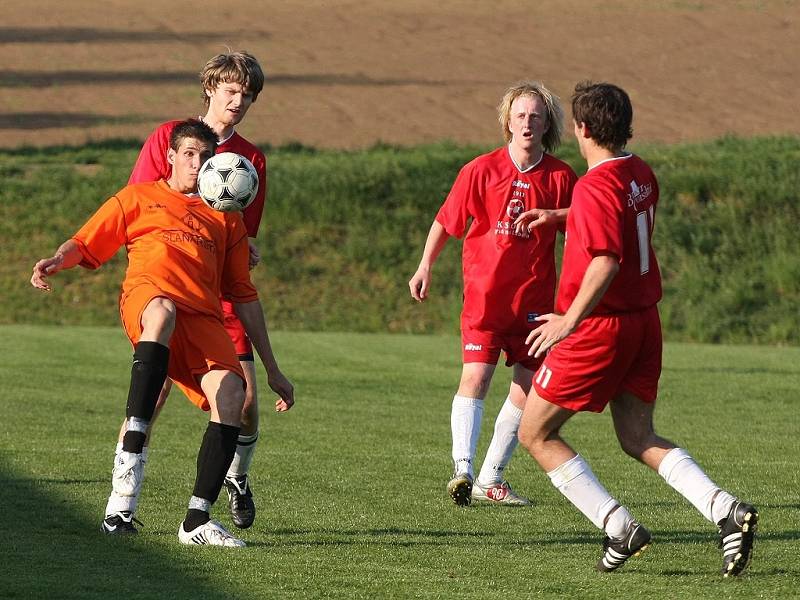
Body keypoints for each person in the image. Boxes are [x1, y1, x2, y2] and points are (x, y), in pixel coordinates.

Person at [517, 82, 757, 575]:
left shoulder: (593, 185)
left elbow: (605, 260)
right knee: (637, 434)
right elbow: (619, 221)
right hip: (644, 325)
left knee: (535, 433)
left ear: (582, 129)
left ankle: (618, 526)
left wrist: (568, 321)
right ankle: (726, 511)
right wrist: (560, 216)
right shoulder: (638, 171)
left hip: (600, 330)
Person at [31, 119, 292, 546]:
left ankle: (196, 522)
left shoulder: (226, 217)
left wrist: (273, 369)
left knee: (232, 394)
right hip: (148, 300)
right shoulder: (139, 197)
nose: (197, 163)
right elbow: (85, 240)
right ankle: (123, 494)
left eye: (205, 156)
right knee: (163, 312)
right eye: (188, 153)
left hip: (202, 318)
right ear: (170, 156)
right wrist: (58, 259)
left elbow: (244, 295)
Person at [112, 51, 292, 532]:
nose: (239, 101)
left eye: (247, 95)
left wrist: (245, 247)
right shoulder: (169, 137)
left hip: (221, 294)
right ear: (210, 88)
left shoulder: (251, 159)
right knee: (151, 397)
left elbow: (242, 230)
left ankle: (234, 477)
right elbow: (142, 208)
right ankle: (122, 503)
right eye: (231, 91)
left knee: (245, 402)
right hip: (169, 289)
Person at [409, 82, 577, 506]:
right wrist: (425, 265)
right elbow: (446, 221)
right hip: (485, 297)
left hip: (536, 303)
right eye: (520, 115)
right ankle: (462, 469)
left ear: (546, 125)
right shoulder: (479, 170)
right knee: (477, 377)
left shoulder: (560, 176)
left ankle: (491, 479)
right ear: (507, 121)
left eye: (535, 116)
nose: (527, 123)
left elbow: (583, 226)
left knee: (527, 388)